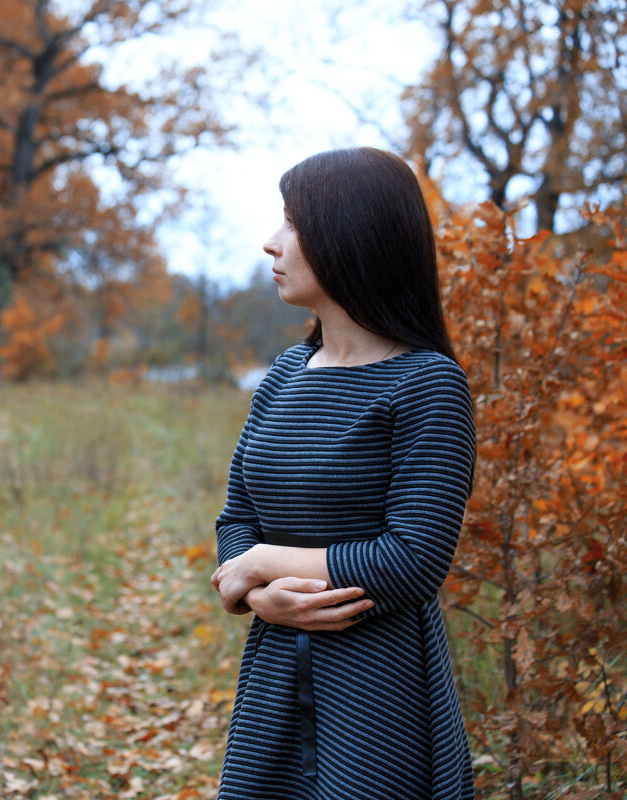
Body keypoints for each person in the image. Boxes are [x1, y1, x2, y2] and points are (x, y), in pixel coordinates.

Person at [209, 147, 476, 800]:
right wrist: (255, 595)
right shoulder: (282, 376)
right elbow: (236, 517)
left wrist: (263, 562)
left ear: (349, 234)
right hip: (275, 673)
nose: (271, 244)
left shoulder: (426, 385)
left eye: (292, 224)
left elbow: (412, 560)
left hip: (376, 689)